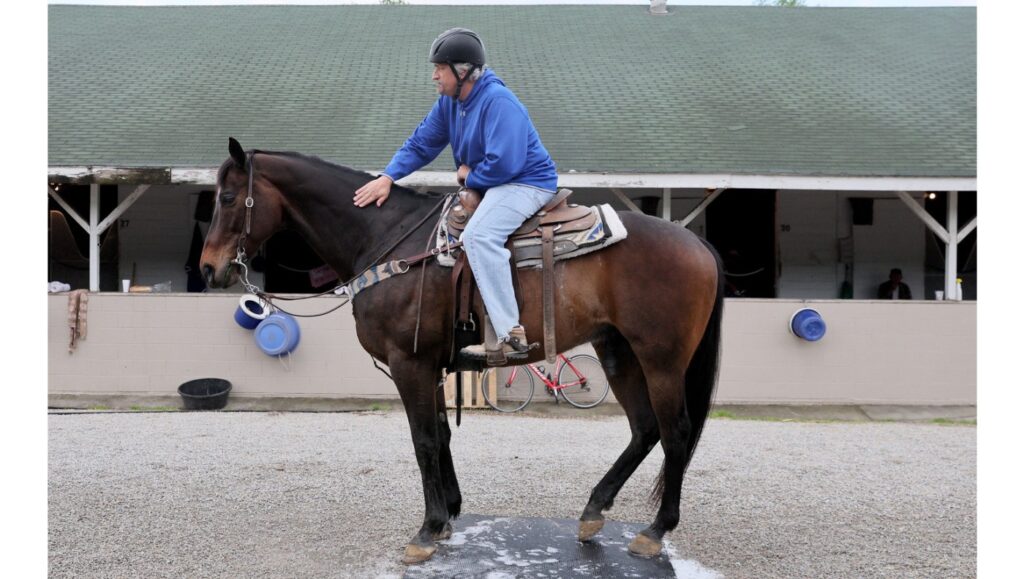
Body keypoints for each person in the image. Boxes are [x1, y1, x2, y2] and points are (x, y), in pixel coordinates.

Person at [353, 28, 558, 361]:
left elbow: (506, 163)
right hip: (495, 182)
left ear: (463, 72)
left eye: (440, 68)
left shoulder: (498, 101)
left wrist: (469, 175)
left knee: (479, 236)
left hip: (526, 182)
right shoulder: (449, 103)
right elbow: (422, 143)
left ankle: (510, 333)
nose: (434, 75)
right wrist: (388, 176)